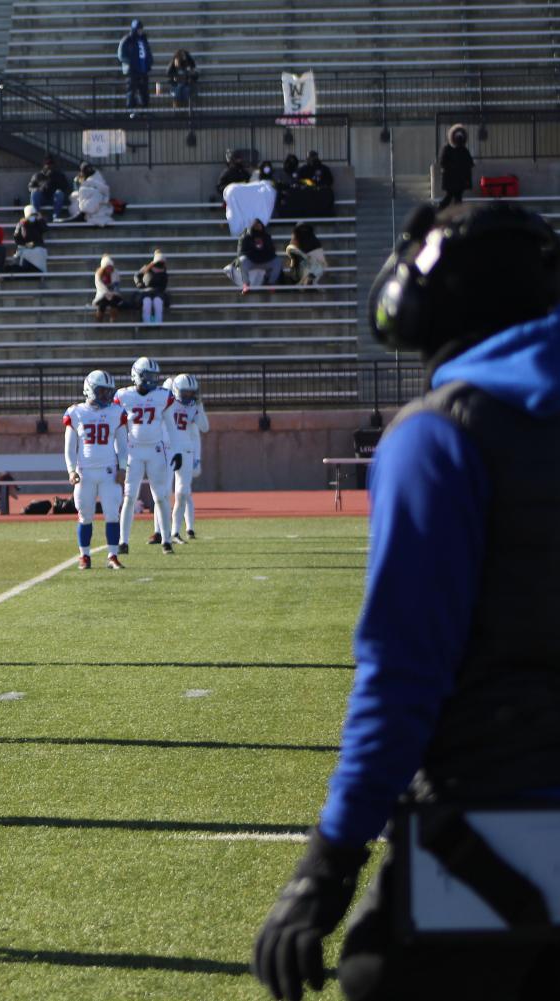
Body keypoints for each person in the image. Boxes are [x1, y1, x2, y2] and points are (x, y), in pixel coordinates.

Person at [252, 202, 560, 1001]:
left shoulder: (442, 432)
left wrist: (329, 861)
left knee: (377, 975)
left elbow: (400, 675)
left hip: (499, 824)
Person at [64, 370, 129, 570]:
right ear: (89, 390)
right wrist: (71, 470)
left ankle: (112, 555)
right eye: (101, 391)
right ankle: (84, 555)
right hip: (85, 473)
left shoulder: (116, 412)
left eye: (108, 391)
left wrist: (123, 468)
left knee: (112, 514)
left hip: (109, 471)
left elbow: (123, 444)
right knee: (85, 515)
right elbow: (69, 446)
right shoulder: (76, 412)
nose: (105, 396)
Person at [116, 356, 182, 554]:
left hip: (155, 451)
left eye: (154, 376)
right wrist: (118, 454)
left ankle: (166, 540)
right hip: (133, 452)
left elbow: (171, 425)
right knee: (129, 497)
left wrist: (177, 450)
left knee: (161, 496)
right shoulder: (123, 395)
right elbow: (118, 427)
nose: (151, 380)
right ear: (136, 375)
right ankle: (123, 541)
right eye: (147, 376)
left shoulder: (162, 395)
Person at [157, 373, 208, 541]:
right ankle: (160, 531)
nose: (189, 395)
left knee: (182, 493)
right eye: (186, 392)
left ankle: (175, 532)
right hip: (168, 450)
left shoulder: (193, 406)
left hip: (185, 450)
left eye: (191, 392)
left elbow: (204, 427)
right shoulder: (167, 403)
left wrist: (200, 406)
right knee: (164, 492)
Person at [230, 218, 281, 290]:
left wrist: (262, 254)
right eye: (256, 225)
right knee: (242, 260)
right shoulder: (246, 238)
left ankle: (270, 283)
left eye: (259, 224)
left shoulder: (267, 237)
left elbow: (272, 251)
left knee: (277, 261)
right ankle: (246, 284)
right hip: (251, 261)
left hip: (265, 260)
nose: (257, 226)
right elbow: (242, 252)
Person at [117, 19, 153, 115]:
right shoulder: (127, 40)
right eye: (138, 29)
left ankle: (144, 111)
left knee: (144, 92)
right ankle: (131, 111)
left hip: (143, 70)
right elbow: (121, 55)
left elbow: (148, 53)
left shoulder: (143, 40)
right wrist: (131, 63)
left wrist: (149, 63)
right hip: (132, 71)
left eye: (141, 29)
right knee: (131, 92)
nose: (140, 30)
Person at [438, 123, 474, 209]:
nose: (459, 139)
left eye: (460, 137)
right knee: (450, 196)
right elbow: (443, 163)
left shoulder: (464, 150)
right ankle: (440, 209)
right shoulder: (447, 149)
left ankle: (455, 214)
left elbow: (470, 163)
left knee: (457, 198)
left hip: (459, 180)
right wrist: (453, 167)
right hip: (451, 179)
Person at [286, 222, 327, 286]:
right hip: (314, 267)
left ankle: (305, 283)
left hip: (314, 267)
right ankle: (306, 283)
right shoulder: (314, 240)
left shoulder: (311, 240)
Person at [135, 248, 169, 323]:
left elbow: (164, 284)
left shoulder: (163, 270)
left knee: (158, 302)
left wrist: (158, 290)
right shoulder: (147, 267)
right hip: (146, 291)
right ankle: (147, 322)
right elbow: (137, 275)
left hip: (158, 292)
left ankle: (157, 322)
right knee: (147, 302)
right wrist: (139, 284)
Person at [12, 205, 49, 273]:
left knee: (39, 252)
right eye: (30, 215)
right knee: (21, 254)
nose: (32, 216)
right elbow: (17, 239)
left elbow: (45, 229)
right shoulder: (21, 224)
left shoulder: (39, 222)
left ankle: (41, 273)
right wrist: (26, 244)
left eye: (34, 214)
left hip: (38, 245)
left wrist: (40, 219)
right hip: (25, 247)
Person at [28, 154, 63, 218]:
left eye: (51, 163)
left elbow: (65, 188)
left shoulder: (59, 175)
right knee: (34, 193)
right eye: (47, 164)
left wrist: (57, 187)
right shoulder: (37, 176)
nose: (49, 166)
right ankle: (37, 216)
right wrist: (37, 189)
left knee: (59, 193)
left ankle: (55, 217)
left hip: (54, 199)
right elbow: (30, 187)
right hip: (42, 198)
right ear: (44, 165)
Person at [93, 254, 125, 321]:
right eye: (107, 267)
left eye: (110, 267)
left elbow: (117, 285)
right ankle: (99, 321)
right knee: (102, 304)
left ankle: (113, 320)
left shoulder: (115, 273)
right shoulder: (98, 274)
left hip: (113, 294)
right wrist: (107, 293)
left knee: (114, 302)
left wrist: (112, 293)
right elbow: (100, 286)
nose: (109, 269)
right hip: (102, 294)